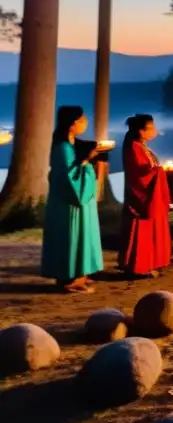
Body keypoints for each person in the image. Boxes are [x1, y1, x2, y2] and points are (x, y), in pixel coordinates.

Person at [41, 106, 104, 293]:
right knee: (71, 236)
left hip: (82, 199)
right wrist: (85, 161)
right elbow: (68, 177)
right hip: (69, 201)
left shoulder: (72, 144)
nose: (85, 123)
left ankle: (81, 274)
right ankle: (69, 278)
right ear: (71, 124)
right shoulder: (62, 147)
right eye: (82, 120)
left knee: (82, 235)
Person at [119, 114, 172, 278]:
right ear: (141, 131)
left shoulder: (141, 146)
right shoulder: (133, 147)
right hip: (139, 196)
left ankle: (147, 263)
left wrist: (159, 170)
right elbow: (140, 175)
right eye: (151, 128)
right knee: (141, 228)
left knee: (147, 230)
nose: (155, 131)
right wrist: (159, 171)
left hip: (147, 194)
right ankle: (138, 267)